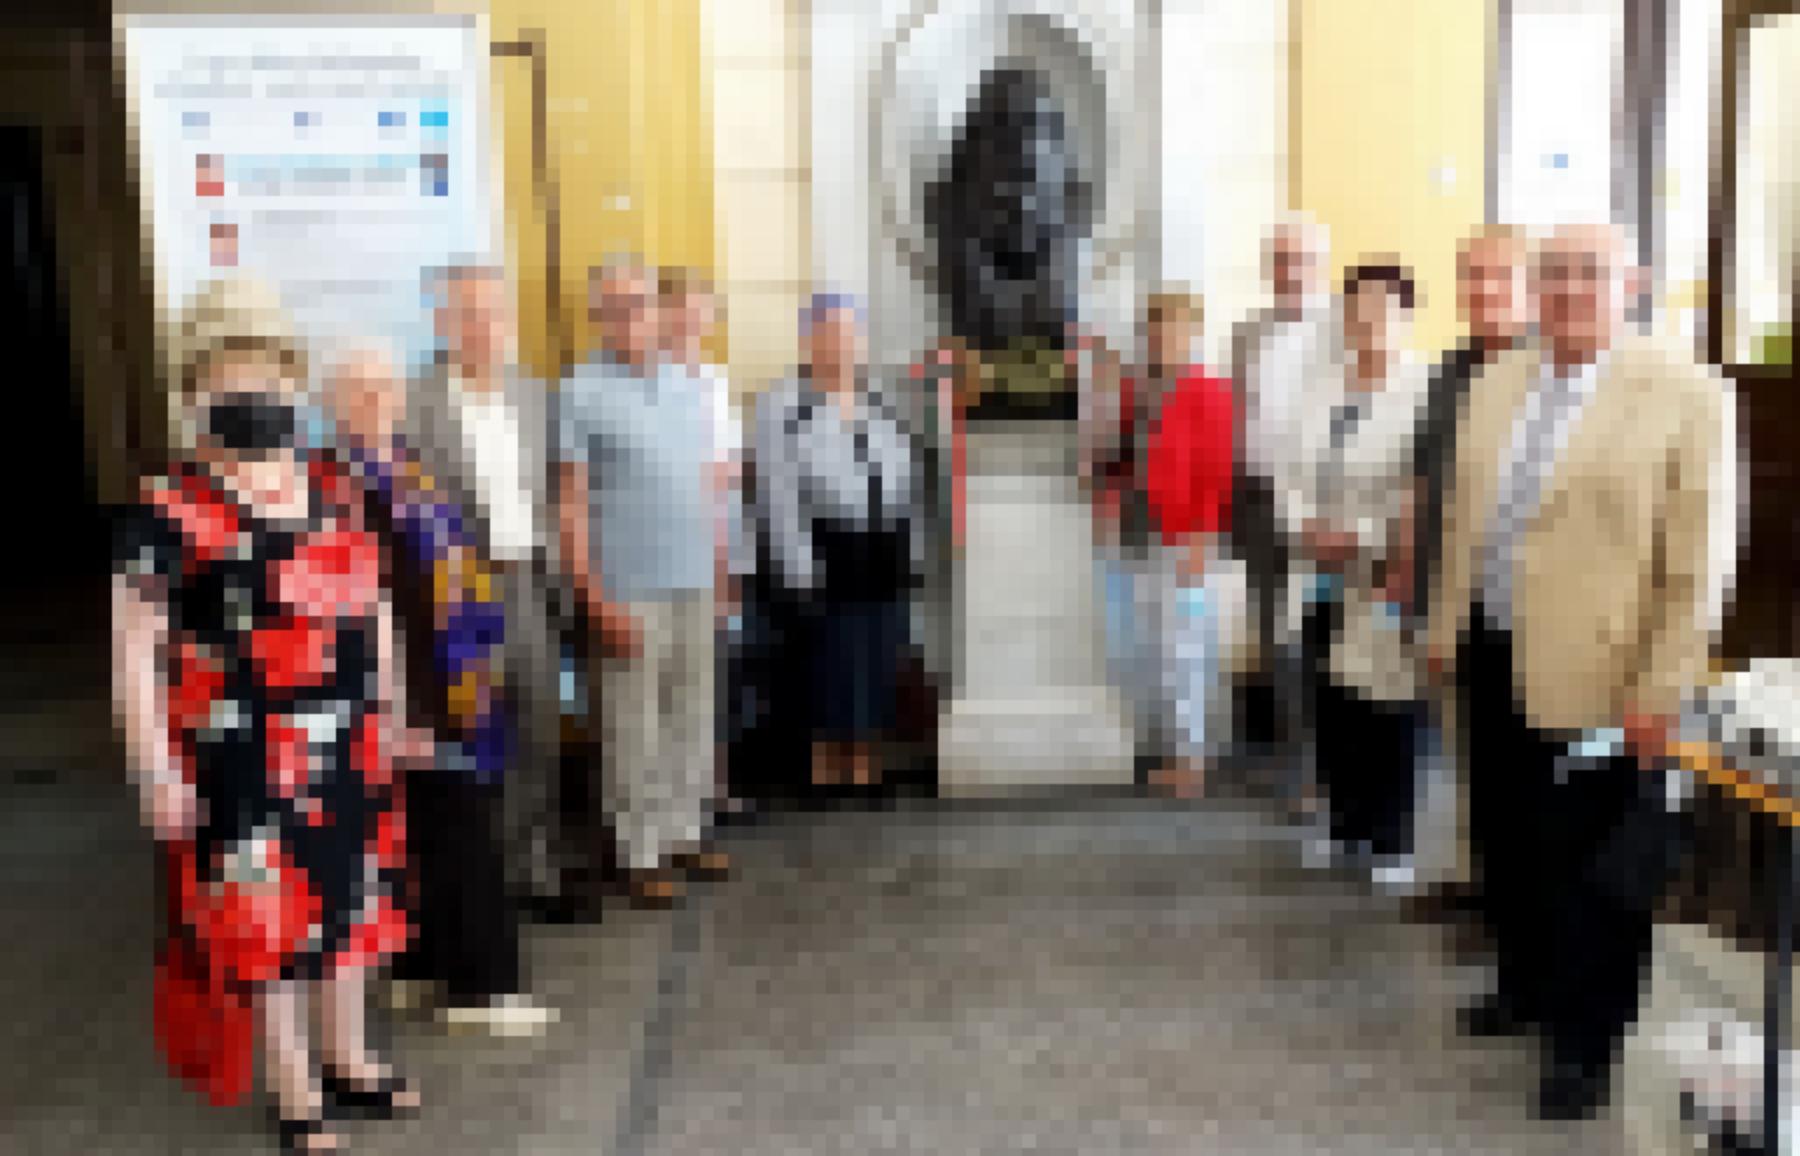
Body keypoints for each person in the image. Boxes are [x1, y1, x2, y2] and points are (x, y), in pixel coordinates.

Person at [1426, 222, 1738, 1118]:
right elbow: (1463, 518)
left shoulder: (1687, 394)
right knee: (1506, 838)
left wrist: (1660, 690)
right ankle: (1523, 985)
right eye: (1554, 274)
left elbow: (1698, 565)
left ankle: (1585, 1046)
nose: (1567, 291)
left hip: (1604, 672)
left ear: (1631, 284)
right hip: (1492, 647)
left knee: (1589, 867)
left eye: (1588, 274)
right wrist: (1445, 625)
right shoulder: (1499, 378)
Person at [112, 279, 417, 1154]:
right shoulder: (168, 508)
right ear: (196, 388)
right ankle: (295, 1091)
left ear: (291, 378)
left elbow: (374, 604)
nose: (252, 390)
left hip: (348, 741)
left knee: (351, 903)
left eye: (266, 371)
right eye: (228, 373)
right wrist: (155, 768)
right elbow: (134, 649)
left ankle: (349, 1057)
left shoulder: (332, 485)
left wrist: (390, 707)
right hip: (240, 756)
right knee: (266, 926)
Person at [331, 346, 554, 1038]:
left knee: (426, 828)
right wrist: (399, 700)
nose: (376, 399)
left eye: (385, 386)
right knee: (461, 832)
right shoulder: (336, 485)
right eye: (359, 388)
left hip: (449, 679)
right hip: (408, 690)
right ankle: (484, 989)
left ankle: (421, 968)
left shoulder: (406, 466)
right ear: (333, 403)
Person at [557, 258, 729, 909]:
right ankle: (639, 853)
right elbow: (572, 503)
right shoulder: (580, 390)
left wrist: (720, 570)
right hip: (626, 588)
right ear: (598, 318)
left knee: (693, 713)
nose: (629, 316)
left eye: (640, 303)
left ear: (660, 311)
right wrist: (592, 594)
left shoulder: (689, 385)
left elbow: (706, 489)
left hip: (695, 579)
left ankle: (684, 834)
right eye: (615, 307)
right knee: (634, 728)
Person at [410, 264, 568, 920]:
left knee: (538, 726)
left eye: (495, 314)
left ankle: (536, 869)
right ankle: (480, 880)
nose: (484, 327)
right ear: (443, 323)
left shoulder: (533, 394)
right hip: (457, 593)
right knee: (472, 734)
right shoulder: (416, 403)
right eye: (469, 314)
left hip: (527, 580)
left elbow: (555, 491)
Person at [1403, 226, 1530, 927]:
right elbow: (1424, 482)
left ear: (1525, 283)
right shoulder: (1451, 368)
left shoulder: (1545, 368)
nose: (1484, 290)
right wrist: (1412, 579)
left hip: (1516, 599)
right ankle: (1468, 875)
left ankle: (1507, 901)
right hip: (1447, 588)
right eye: (1472, 276)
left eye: (1498, 276)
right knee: (1460, 743)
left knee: (1513, 760)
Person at [1290, 262, 1431, 889]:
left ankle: (1392, 838)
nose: (1368, 317)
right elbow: (1291, 470)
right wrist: (1304, 526)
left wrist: (1362, 536)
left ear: (1406, 314)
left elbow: (1421, 487)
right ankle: (1343, 823)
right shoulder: (1323, 386)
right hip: (1321, 569)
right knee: (1331, 699)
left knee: (1387, 702)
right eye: (1357, 305)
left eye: (1382, 305)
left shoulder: (1422, 390)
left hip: (1383, 570)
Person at [752, 294, 924, 793]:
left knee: (877, 652)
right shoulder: (784, 404)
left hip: (883, 543)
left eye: (850, 335)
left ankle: (865, 760)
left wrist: (911, 547)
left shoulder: (882, 400)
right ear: (810, 341)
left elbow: (909, 477)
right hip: (824, 544)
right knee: (828, 656)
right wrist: (796, 564)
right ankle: (823, 764)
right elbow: (777, 490)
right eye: (830, 334)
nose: (842, 345)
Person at [1230, 215, 1342, 811]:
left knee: (1325, 637)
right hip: (1258, 500)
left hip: (1324, 505)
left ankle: (1336, 770)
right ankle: (1298, 770)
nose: (1291, 272)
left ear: (1321, 266)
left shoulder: (1345, 330)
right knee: (1277, 639)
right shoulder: (1246, 332)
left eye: (1301, 260)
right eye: (1280, 260)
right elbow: (1238, 417)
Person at [1140, 292, 1237, 799]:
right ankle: (1179, 754)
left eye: (1174, 329)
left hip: (1191, 539)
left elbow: (1217, 471)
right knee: (1166, 646)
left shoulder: (1208, 390)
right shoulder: (1154, 392)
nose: (1164, 339)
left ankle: (1193, 762)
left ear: (1193, 333)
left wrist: (1201, 537)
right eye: (1157, 331)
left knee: (1187, 648)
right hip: (1161, 535)